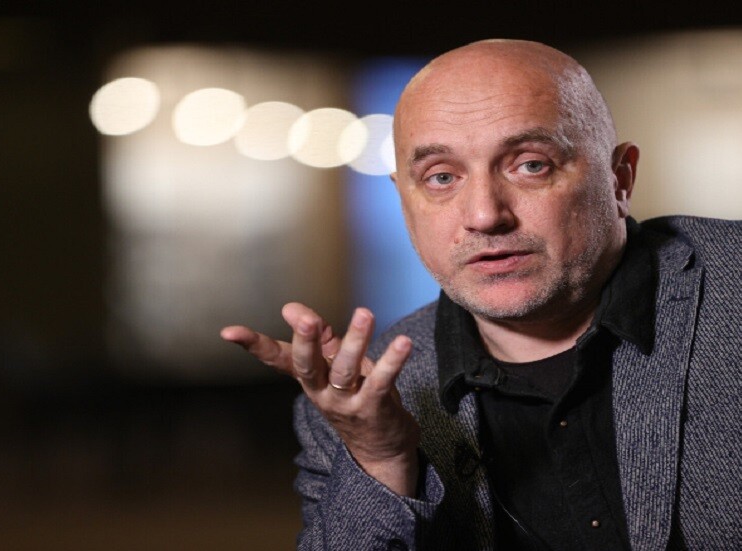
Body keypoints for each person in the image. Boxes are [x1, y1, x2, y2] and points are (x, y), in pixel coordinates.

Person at [220, 38, 742, 550]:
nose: (485, 215)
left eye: (530, 165)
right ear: (404, 201)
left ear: (619, 179)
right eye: (441, 177)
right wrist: (382, 464)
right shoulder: (355, 405)